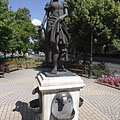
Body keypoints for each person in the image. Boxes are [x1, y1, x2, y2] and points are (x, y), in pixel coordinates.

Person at [40, 0, 69, 74]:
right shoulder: (50, 4)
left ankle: (61, 64)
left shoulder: (63, 3)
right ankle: (55, 66)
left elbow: (66, 13)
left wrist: (62, 17)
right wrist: (42, 24)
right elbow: (46, 14)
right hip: (52, 23)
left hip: (61, 23)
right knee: (54, 45)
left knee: (63, 45)